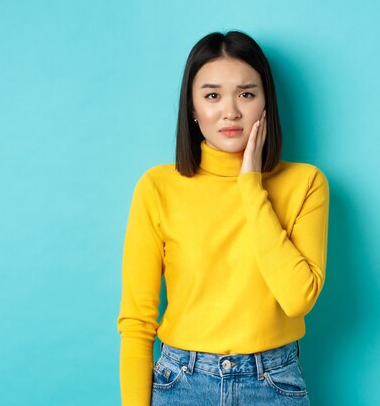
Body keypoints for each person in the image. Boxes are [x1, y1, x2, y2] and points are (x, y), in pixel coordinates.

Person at [117, 30, 329, 406]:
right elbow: (137, 322)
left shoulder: (306, 183)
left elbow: (298, 299)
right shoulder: (157, 186)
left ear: (266, 104)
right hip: (181, 381)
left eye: (246, 94)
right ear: (192, 108)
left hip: (273, 382)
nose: (230, 110)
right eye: (212, 95)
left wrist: (250, 183)